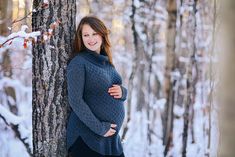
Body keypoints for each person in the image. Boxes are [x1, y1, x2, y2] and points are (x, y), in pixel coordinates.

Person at [66, 15, 128, 157]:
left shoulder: (106, 62)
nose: (90, 39)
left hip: (110, 139)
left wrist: (123, 92)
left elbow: (113, 88)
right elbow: (75, 100)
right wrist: (100, 128)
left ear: (102, 34)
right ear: (80, 38)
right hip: (87, 137)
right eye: (86, 35)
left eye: (94, 33)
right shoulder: (79, 63)